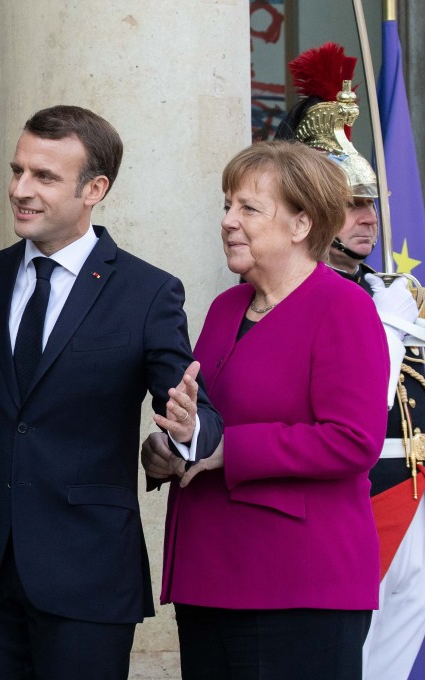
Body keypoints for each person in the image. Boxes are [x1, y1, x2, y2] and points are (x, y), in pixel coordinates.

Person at [0, 104, 223, 680]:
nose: (20, 189)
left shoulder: (147, 292)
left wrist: (188, 430)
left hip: (87, 573)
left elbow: (198, 412)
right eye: (18, 171)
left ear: (95, 188)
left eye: (44, 177)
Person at [142, 140, 389, 679]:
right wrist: (172, 447)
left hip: (299, 585)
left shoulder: (343, 306)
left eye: (248, 208)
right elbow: (206, 420)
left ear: (301, 225)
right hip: (209, 576)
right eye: (227, 206)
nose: (229, 221)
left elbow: (353, 440)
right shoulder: (227, 306)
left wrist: (228, 451)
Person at [274, 42, 425, 680]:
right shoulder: (295, 298)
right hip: (356, 498)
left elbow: (417, 401)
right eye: (352, 205)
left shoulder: (390, 294)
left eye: (370, 204)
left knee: (399, 647)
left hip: (419, 495)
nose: (369, 218)